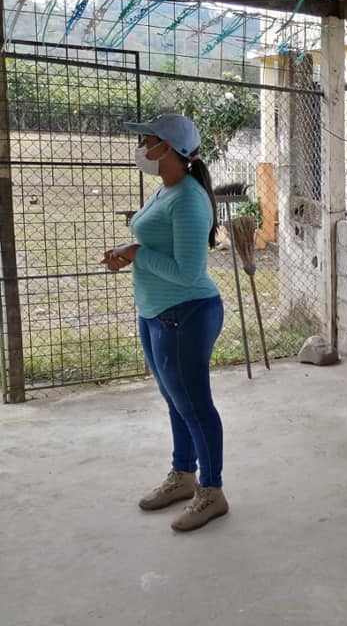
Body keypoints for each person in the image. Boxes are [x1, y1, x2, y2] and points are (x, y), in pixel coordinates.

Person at [102, 114, 227, 532]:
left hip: (185, 314)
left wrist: (136, 252)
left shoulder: (189, 198)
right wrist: (128, 254)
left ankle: (211, 491)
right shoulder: (166, 189)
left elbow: (188, 273)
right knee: (177, 401)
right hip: (157, 312)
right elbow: (159, 248)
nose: (141, 148)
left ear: (168, 148)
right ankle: (184, 474)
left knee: (195, 405)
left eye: (146, 140)